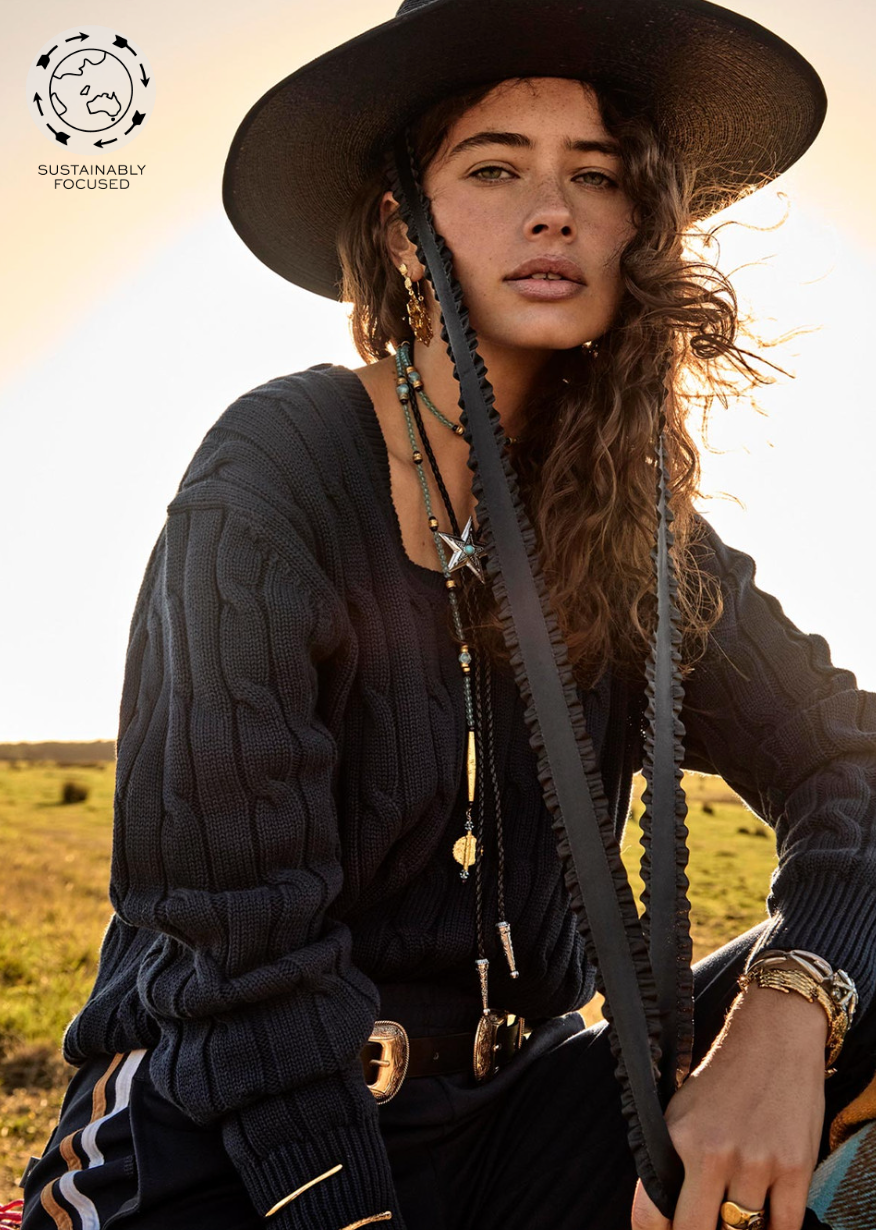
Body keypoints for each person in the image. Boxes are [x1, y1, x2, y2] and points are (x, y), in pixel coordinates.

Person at [18, 2, 876, 1229]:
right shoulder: (281, 468)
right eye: (495, 167)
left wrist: (792, 1007)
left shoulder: (628, 515)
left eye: (597, 173)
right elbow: (242, 966)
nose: (554, 209)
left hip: (514, 1122)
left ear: (643, 223)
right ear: (402, 230)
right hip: (232, 1145)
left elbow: (850, 759)